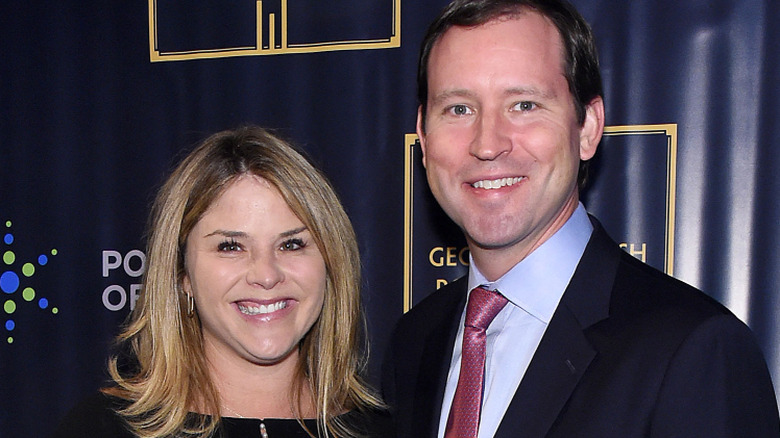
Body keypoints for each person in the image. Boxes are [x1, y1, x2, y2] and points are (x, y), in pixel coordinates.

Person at [382, 1, 780, 437]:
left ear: (588, 127)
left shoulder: (694, 350)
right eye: (459, 109)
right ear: (422, 135)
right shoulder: (414, 342)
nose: (487, 143)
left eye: (524, 105)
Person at [53, 126, 391, 437]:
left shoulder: (387, 429)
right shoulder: (101, 429)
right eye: (230, 247)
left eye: (291, 244)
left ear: (330, 263)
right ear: (181, 274)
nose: (266, 274)